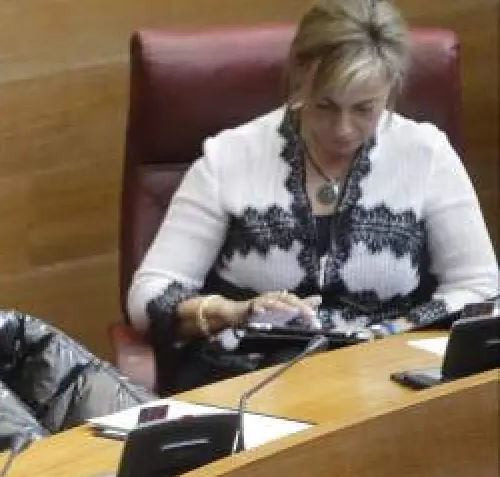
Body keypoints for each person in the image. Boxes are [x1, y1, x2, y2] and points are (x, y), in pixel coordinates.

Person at [127, 0, 499, 394]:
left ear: (391, 89)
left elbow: (480, 286)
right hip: (253, 381)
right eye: (325, 106)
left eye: (364, 109)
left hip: (386, 383)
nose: (343, 129)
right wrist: (235, 312)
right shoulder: (230, 157)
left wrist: (397, 330)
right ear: (299, 78)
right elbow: (150, 293)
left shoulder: (425, 154)